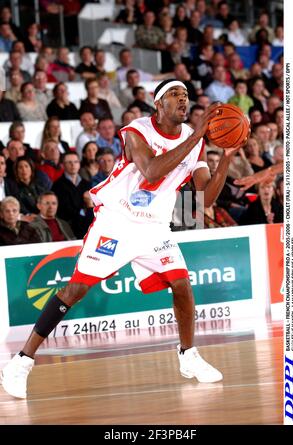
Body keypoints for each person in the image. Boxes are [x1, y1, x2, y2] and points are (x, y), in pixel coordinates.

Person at [1, 79, 247, 399]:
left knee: (182, 286)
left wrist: (226, 156)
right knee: (76, 289)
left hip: (155, 228)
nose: (183, 100)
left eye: (186, 95)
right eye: (175, 94)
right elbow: (152, 172)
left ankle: (188, 355)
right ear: (158, 104)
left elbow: (205, 199)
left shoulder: (193, 140)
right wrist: (199, 133)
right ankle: (20, 362)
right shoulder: (137, 129)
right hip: (118, 220)